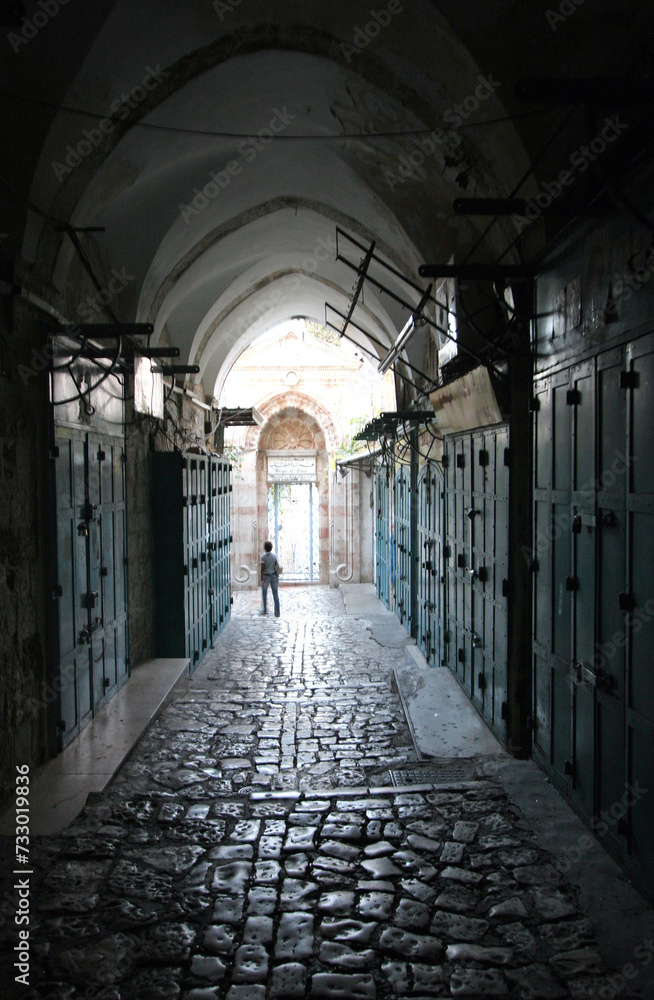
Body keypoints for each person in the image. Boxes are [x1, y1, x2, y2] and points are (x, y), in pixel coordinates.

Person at [260, 540, 281, 617]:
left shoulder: (262, 557)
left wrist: (261, 579)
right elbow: (276, 565)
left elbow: (262, 569)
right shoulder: (274, 556)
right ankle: (277, 611)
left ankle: (265, 610)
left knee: (264, 593)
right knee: (275, 594)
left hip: (266, 576)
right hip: (274, 576)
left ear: (265, 548)